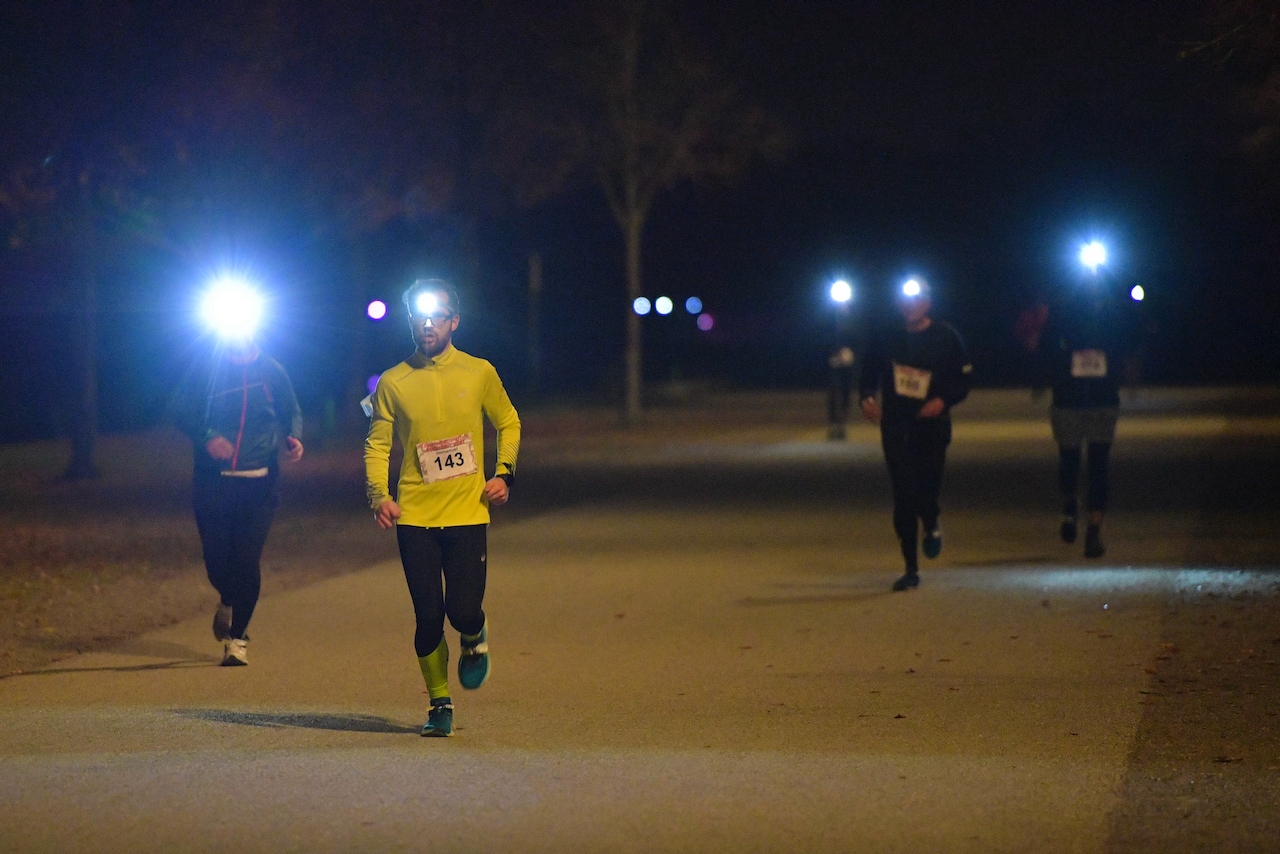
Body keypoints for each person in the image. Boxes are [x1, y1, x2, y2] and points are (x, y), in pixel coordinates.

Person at [364, 278, 520, 738]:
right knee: (428, 614)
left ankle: (474, 637)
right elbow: (377, 445)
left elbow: (508, 421)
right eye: (418, 315)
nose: (427, 323)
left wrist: (503, 473)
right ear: (410, 320)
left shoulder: (479, 372)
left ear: (454, 321)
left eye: (437, 315)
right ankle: (439, 705)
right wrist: (380, 495)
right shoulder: (393, 382)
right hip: (414, 515)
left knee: (462, 610)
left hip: (468, 512)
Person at [172, 336, 304, 666]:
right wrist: (207, 438)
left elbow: (291, 411)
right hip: (212, 483)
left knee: (246, 560)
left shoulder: (271, 370)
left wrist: (294, 437)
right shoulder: (206, 368)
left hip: (260, 484)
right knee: (216, 559)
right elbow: (180, 411)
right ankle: (228, 599)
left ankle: (237, 639)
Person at [859, 279, 972, 591]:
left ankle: (931, 520)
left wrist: (943, 400)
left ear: (928, 303)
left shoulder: (946, 337)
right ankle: (910, 566)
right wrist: (867, 399)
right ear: (899, 305)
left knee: (927, 484)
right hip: (896, 424)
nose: (910, 306)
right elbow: (867, 373)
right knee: (903, 493)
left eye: (917, 299)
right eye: (905, 300)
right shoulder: (886, 337)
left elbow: (964, 380)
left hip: (932, 426)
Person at [1028, 283, 1140, 559]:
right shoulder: (1061, 315)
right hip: (1068, 400)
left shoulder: (1114, 316)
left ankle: (1094, 529)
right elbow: (1045, 350)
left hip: (1102, 400)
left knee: (1099, 463)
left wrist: (1129, 377)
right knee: (1069, 459)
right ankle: (1070, 504)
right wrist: (1044, 378)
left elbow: (1129, 347)